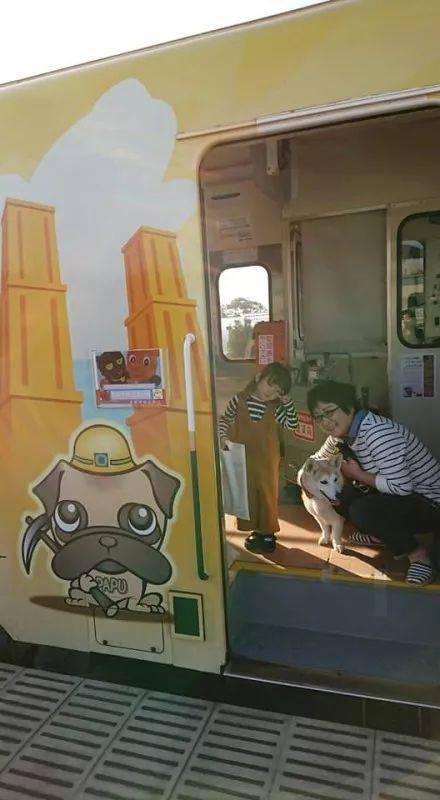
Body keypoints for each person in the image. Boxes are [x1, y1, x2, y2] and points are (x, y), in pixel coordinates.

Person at [307, 380, 440, 585]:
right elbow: (315, 460)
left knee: (362, 511)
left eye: (329, 412)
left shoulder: (378, 433)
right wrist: (305, 483)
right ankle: (382, 535)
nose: (325, 421)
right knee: (337, 494)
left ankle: (419, 557)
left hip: (429, 502)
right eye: (318, 417)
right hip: (396, 497)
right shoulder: (340, 434)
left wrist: (358, 474)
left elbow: (402, 487)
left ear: (349, 407)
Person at [219, 362, 298, 554]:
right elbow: (225, 420)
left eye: (278, 391)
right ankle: (255, 529)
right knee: (246, 493)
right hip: (241, 457)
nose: (272, 393)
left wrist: (287, 403)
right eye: (270, 385)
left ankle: (268, 533)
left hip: (268, 460)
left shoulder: (276, 408)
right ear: (258, 378)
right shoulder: (239, 400)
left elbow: (292, 425)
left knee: (267, 494)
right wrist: (222, 437)